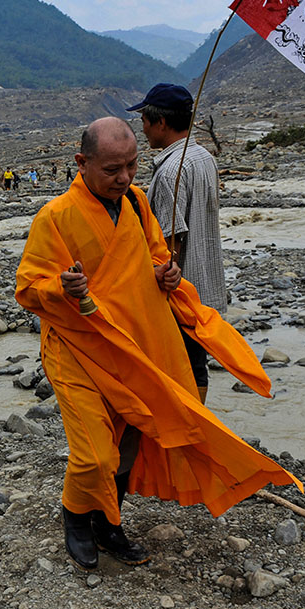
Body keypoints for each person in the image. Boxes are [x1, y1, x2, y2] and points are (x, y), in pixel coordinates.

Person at [15, 117, 300, 571]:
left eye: (131, 165)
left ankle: (109, 524)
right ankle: (74, 517)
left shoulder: (136, 201)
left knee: (131, 436)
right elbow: (28, 288)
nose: (124, 177)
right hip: (76, 348)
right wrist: (61, 288)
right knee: (94, 452)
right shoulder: (56, 217)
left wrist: (167, 272)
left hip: (132, 344)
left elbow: (152, 255)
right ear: (81, 163)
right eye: (112, 170)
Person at [129, 83, 228, 404]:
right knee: (197, 366)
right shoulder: (204, 158)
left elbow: (167, 245)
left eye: (144, 119)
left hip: (181, 292)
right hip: (207, 286)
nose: (141, 127)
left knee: (178, 368)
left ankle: (188, 433)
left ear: (161, 123)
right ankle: (198, 428)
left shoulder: (171, 169)